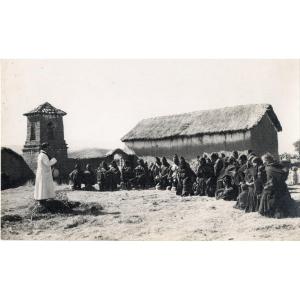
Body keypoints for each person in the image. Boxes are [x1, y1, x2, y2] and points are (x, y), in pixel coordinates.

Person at [259, 153, 295, 218]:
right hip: (279, 186)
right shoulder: (276, 165)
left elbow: (282, 173)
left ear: (267, 160)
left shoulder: (270, 167)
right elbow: (285, 171)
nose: (263, 162)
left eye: (264, 160)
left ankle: (275, 213)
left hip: (274, 187)